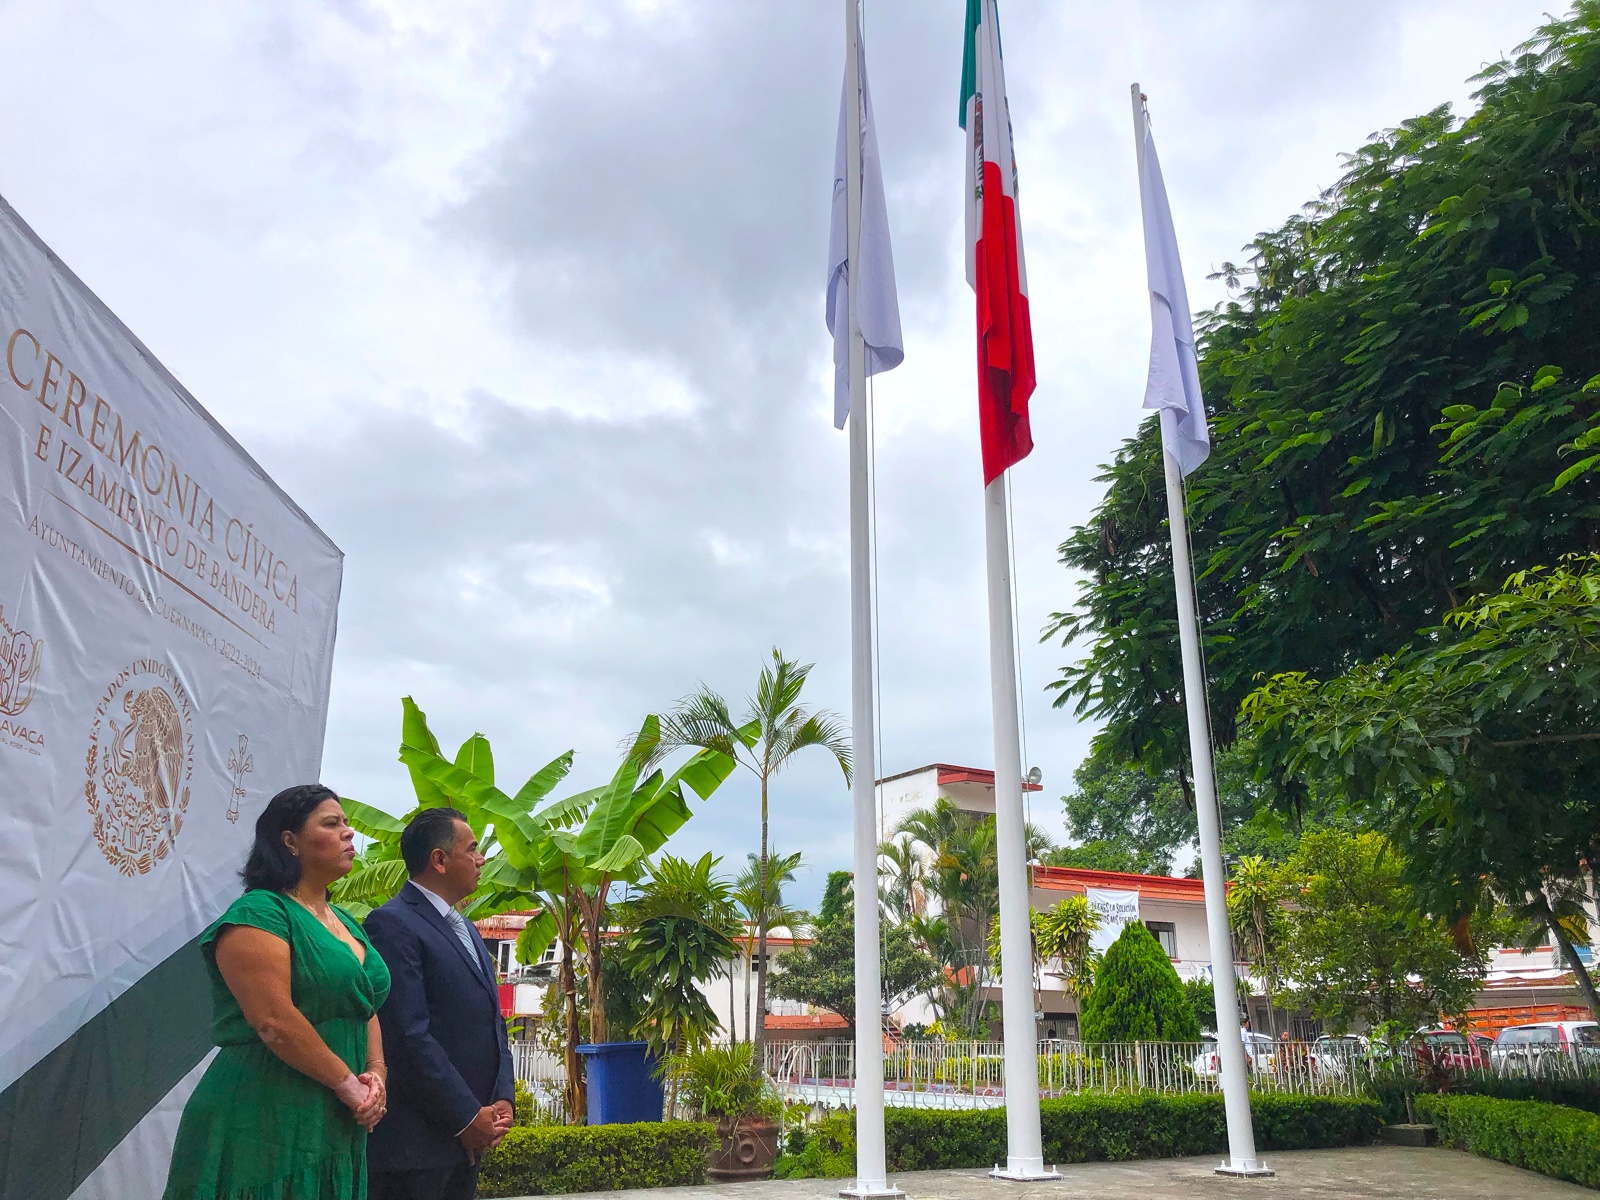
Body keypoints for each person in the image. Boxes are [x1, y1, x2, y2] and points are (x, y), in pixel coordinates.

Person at [164, 785, 392, 1200]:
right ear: (290, 841)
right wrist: (347, 1084)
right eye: (331, 823)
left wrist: (376, 1074)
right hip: (264, 1113)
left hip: (336, 1115)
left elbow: (364, 1004)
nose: (348, 832)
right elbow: (273, 1020)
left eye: (346, 822)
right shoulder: (259, 913)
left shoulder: (345, 921)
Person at [365, 808, 514, 1200]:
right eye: (472, 849)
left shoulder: (465, 928)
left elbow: (492, 1020)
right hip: (417, 1148)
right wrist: (465, 1116)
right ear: (439, 860)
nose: (482, 859)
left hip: (469, 1140)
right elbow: (408, 1034)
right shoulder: (392, 923)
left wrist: (502, 1097)